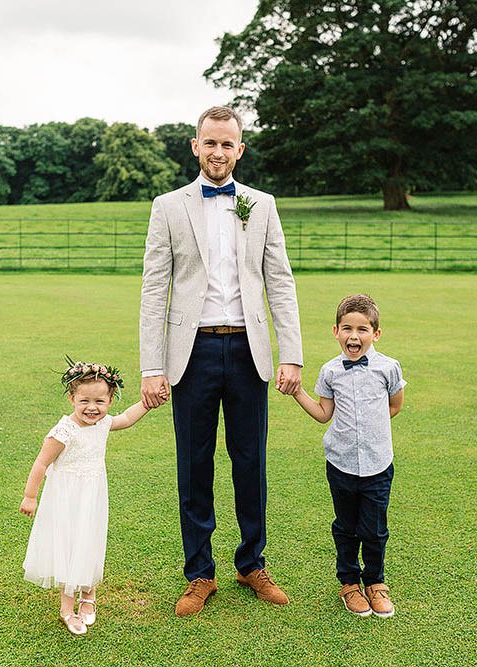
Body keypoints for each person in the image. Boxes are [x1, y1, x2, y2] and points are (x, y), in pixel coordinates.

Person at [139, 105, 303, 616]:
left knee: (251, 462)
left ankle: (252, 563)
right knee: (194, 464)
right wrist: (151, 366)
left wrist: (291, 354)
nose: (218, 152)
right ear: (195, 146)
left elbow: (279, 281)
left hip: (250, 351)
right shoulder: (168, 207)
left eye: (227, 144)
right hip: (192, 353)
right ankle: (199, 574)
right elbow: (154, 289)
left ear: (240, 149)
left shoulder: (263, 204)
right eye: (209, 143)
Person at [291, 294, 406, 618]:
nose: (354, 336)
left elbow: (395, 405)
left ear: (376, 334)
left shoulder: (388, 368)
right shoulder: (330, 371)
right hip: (340, 462)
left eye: (362, 329)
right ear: (336, 331)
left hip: (377, 463)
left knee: (374, 528)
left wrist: (371, 432)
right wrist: (297, 391)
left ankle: (375, 581)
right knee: (346, 526)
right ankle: (349, 583)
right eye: (347, 328)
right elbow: (323, 413)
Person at [20, 360, 152, 635]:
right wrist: (30, 496)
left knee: (90, 542)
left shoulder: (103, 423)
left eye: (100, 401)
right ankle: (66, 609)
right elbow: (41, 464)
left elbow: (126, 419)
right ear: (71, 398)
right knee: (71, 546)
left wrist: (147, 404)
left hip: (92, 496)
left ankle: (88, 596)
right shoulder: (64, 431)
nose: (92, 408)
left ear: (110, 400)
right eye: (84, 401)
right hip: (66, 499)